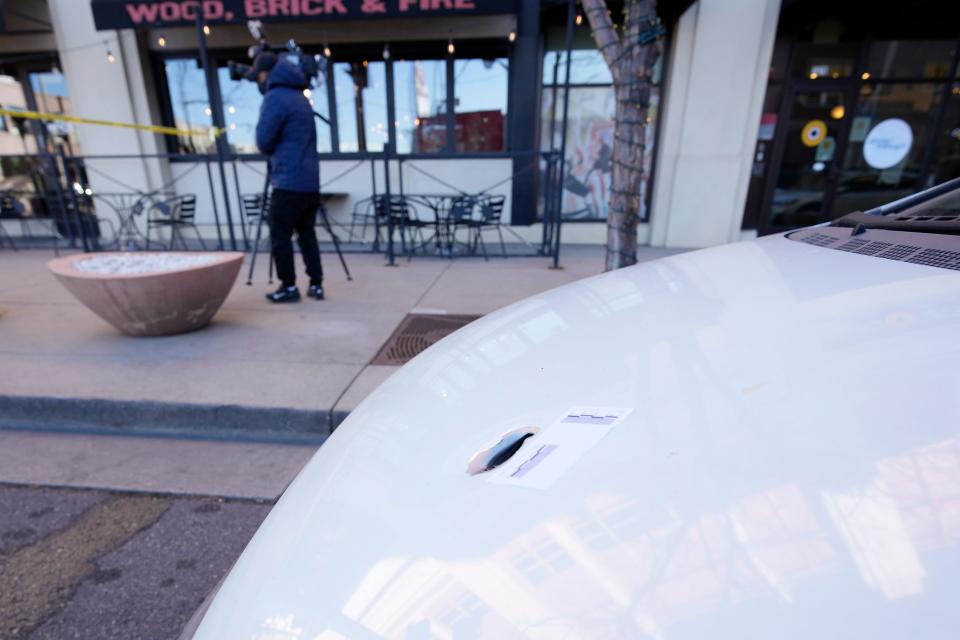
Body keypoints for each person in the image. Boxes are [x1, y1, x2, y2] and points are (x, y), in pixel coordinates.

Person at [250, 52, 324, 302]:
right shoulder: (301, 97)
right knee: (307, 234)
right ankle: (316, 283)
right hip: (310, 181)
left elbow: (264, 141)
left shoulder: (276, 98)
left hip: (287, 181)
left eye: (259, 76)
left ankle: (288, 285)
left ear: (266, 74)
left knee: (280, 234)